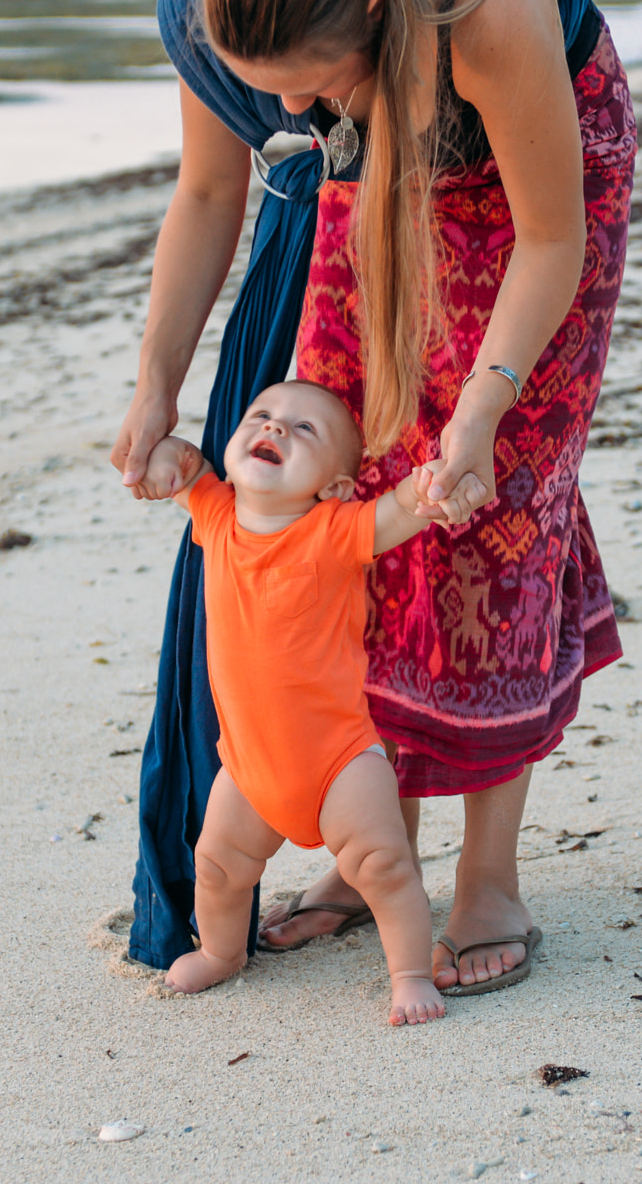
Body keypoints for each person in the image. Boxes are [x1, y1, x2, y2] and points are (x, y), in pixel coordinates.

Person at [115, 0, 636, 995]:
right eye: (267, 86)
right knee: (354, 485)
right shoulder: (235, 1)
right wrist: (155, 377)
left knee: (490, 510)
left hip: (535, 195)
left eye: (303, 78)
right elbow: (209, 189)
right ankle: (372, 847)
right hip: (381, 149)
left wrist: (485, 410)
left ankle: (489, 875)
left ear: (362, 11)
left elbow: (553, 238)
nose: (287, 110)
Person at [140, 381, 450, 1025]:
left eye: (304, 430)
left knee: (384, 866)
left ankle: (411, 973)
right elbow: (185, 464)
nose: (277, 428)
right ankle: (224, 952)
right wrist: (166, 453)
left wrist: (427, 491)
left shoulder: (333, 529)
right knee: (219, 864)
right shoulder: (215, 514)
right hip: (252, 767)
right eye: (263, 416)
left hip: (339, 759)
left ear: (335, 486)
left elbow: (396, 512)